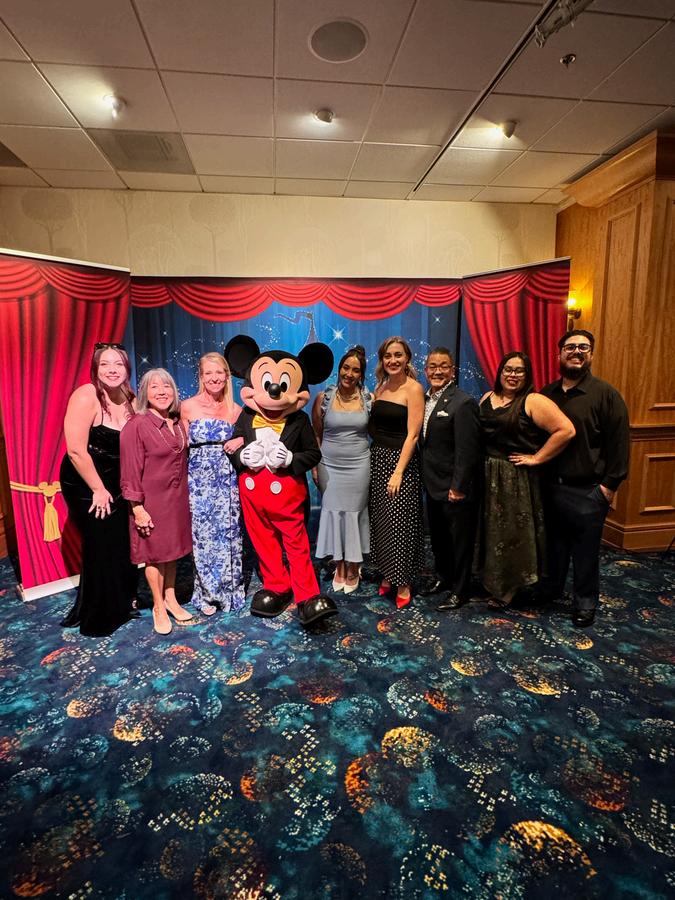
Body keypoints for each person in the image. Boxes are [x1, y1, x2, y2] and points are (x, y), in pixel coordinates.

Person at [539, 329, 629, 627]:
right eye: (570, 347)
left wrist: (608, 487)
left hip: (588, 490)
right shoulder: (546, 394)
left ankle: (585, 602)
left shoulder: (606, 394)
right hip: (550, 487)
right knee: (554, 546)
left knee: (586, 552)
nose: (576, 352)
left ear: (591, 354)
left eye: (583, 347)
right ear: (559, 354)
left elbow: (619, 445)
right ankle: (552, 590)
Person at [478, 351, 575, 608]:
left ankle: (509, 588)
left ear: (527, 374)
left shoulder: (533, 401)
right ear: (500, 372)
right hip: (486, 474)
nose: (512, 375)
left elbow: (566, 430)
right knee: (490, 532)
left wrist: (537, 458)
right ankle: (491, 581)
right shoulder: (487, 397)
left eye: (519, 370)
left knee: (511, 534)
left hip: (514, 479)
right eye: (508, 369)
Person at [60, 343, 138, 636]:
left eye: (118, 364)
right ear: (95, 368)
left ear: (127, 369)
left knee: (119, 542)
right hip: (85, 483)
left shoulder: (130, 399)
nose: (112, 370)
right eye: (105, 364)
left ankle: (122, 603)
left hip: (116, 482)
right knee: (100, 543)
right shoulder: (86, 395)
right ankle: (99, 616)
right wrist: (98, 489)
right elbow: (76, 451)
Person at [120, 368, 193, 635]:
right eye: (154, 387)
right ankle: (158, 606)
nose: (162, 392)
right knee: (154, 556)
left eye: (167, 386)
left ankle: (171, 599)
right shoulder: (136, 425)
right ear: (144, 393)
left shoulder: (177, 421)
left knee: (172, 552)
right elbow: (129, 472)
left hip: (177, 499)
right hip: (151, 502)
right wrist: (137, 508)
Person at [181, 352, 245, 616]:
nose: (214, 378)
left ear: (227, 376)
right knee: (203, 538)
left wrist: (240, 440)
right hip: (198, 481)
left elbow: (250, 437)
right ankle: (206, 594)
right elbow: (180, 447)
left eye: (219, 372)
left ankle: (230, 591)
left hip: (227, 481)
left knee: (230, 535)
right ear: (201, 376)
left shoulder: (236, 410)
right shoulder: (187, 407)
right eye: (209, 373)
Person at [420, 347, 481, 611]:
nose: (437, 371)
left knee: (460, 542)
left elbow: (468, 450)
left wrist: (459, 486)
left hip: (454, 487)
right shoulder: (424, 399)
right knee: (439, 539)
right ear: (425, 371)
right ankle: (443, 578)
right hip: (433, 484)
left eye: (443, 366)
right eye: (432, 366)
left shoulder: (463, 402)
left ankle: (461, 590)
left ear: (452, 371)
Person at [368, 336, 425, 608]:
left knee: (401, 523)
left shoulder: (414, 388)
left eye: (398, 355)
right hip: (377, 459)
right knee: (382, 521)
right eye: (388, 355)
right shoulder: (380, 387)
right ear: (382, 360)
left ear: (407, 358)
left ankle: (403, 582)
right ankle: (387, 573)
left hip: (400, 463)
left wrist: (399, 471)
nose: (393, 360)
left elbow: (413, 435)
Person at [312, 345, 371, 594]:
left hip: (359, 466)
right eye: (346, 368)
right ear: (339, 369)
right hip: (329, 465)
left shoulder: (369, 399)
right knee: (334, 513)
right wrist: (316, 465)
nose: (349, 374)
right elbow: (317, 434)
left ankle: (354, 565)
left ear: (361, 374)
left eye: (355, 370)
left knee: (354, 514)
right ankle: (339, 564)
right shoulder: (323, 398)